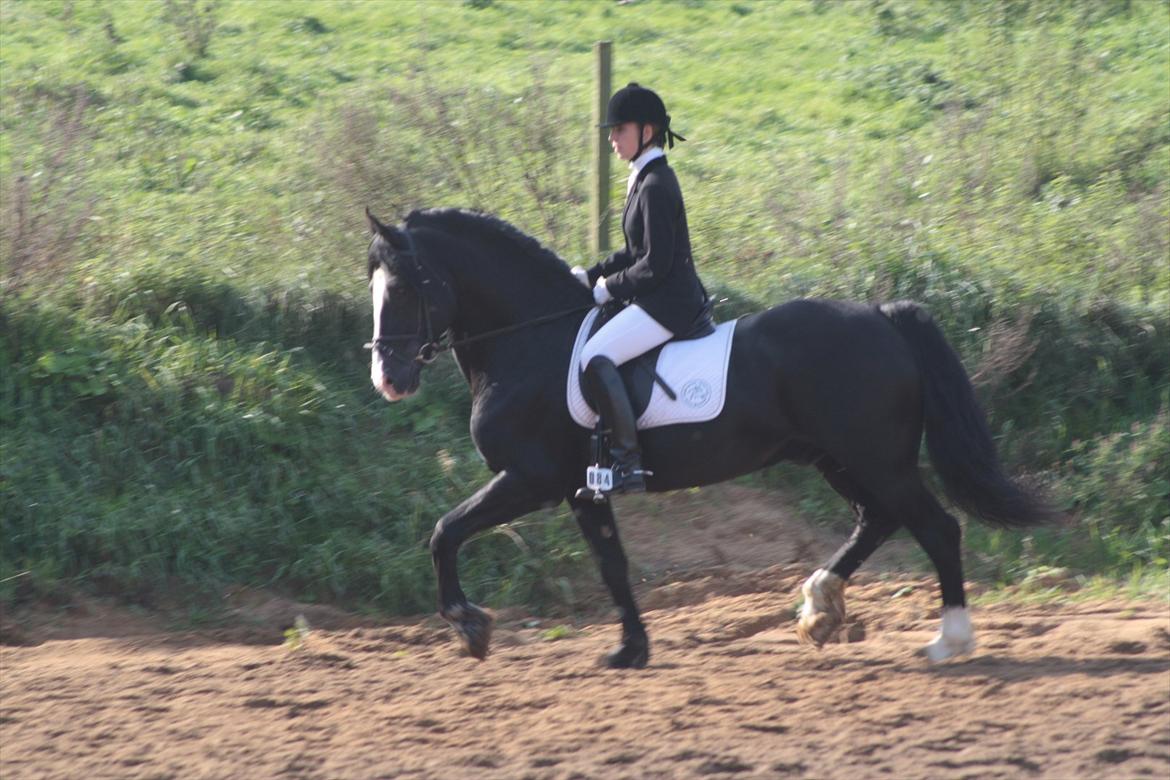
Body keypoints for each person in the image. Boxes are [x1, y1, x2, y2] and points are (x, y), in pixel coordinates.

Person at [571, 82, 711, 495]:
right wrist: (590, 274)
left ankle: (627, 464)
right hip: (658, 296)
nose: (612, 138)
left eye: (619, 130)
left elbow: (654, 264)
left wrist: (606, 289)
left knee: (595, 357)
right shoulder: (644, 178)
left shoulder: (655, 185)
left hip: (670, 303)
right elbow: (634, 250)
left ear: (646, 132)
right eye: (612, 131)